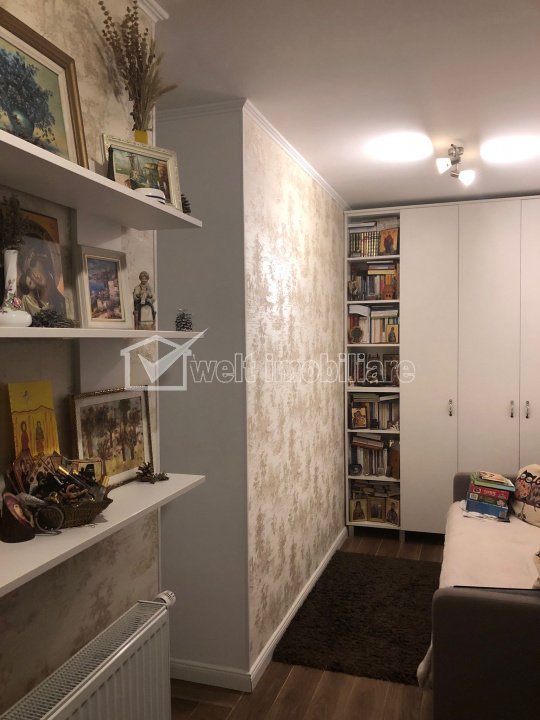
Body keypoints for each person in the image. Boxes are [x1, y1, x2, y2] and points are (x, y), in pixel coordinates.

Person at [18, 250, 66, 316]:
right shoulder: (30, 298)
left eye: (33, 264)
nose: (35, 277)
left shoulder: (58, 277)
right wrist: (45, 294)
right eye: (30, 282)